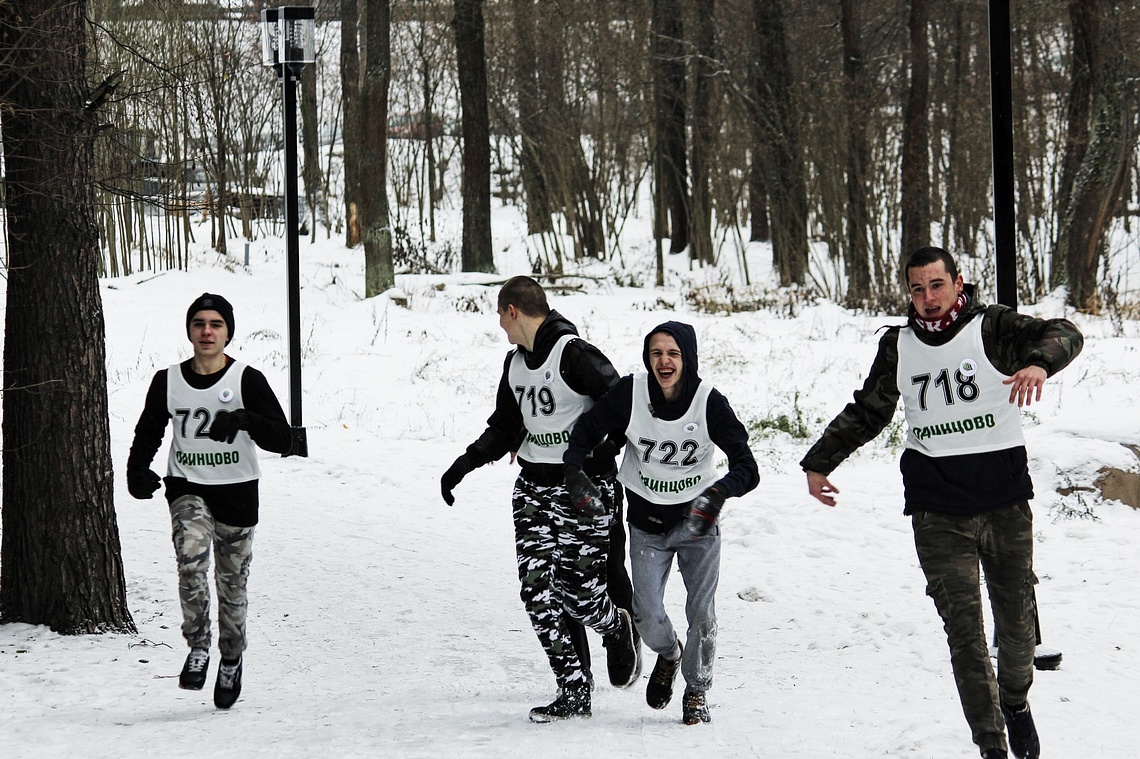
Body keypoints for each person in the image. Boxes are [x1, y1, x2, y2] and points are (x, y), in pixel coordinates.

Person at [800, 247, 1083, 759]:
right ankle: (992, 746)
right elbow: (870, 410)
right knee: (965, 636)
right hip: (937, 510)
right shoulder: (899, 345)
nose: (928, 299)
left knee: (1017, 632)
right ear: (907, 292)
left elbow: (1065, 332)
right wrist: (819, 462)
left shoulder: (992, 327)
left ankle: (1015, 702)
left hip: (1003, 503)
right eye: (916, 289)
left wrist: (1040, 365)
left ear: (957, 282)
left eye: (936, 286)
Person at [439, 275, 640, 723]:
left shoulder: (575, 354)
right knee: (536, 591)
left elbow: (623, 405)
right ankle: (573, 688)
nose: (500, 326)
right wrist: (463, 465)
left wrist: (598, 455)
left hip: (583, 489)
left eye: (499, 316)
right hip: (532, 489)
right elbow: (506, 427)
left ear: (513, 311)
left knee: (580, 594)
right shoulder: (514, 365)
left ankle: (616, 626)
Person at [564, 321, 759, 725]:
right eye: (656, 353)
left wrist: (718, 493)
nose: (664, 361)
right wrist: (573, 469)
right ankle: (669, 654)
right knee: (646, 613)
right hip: (647, 523)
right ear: (647, 359)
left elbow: (748, 467)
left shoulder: (709, 403)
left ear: (687, 358)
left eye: (673, 353)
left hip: (697, 524)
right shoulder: (631, 393)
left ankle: (697, 691)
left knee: (701, 613)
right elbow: (585, 430)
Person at [126, 293, 293, 710]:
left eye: (216, 324)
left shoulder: (247, 380)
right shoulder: (168, 380)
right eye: (199, 323)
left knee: (232, 586)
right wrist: (136, 470)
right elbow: (149, 429)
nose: (206, 331)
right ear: (189, 330)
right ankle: (198, 647)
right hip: (188, 488)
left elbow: (283, 438)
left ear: (227, 332)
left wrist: (245, 420)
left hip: (237, 493)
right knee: (191, 561)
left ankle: (231, 656)